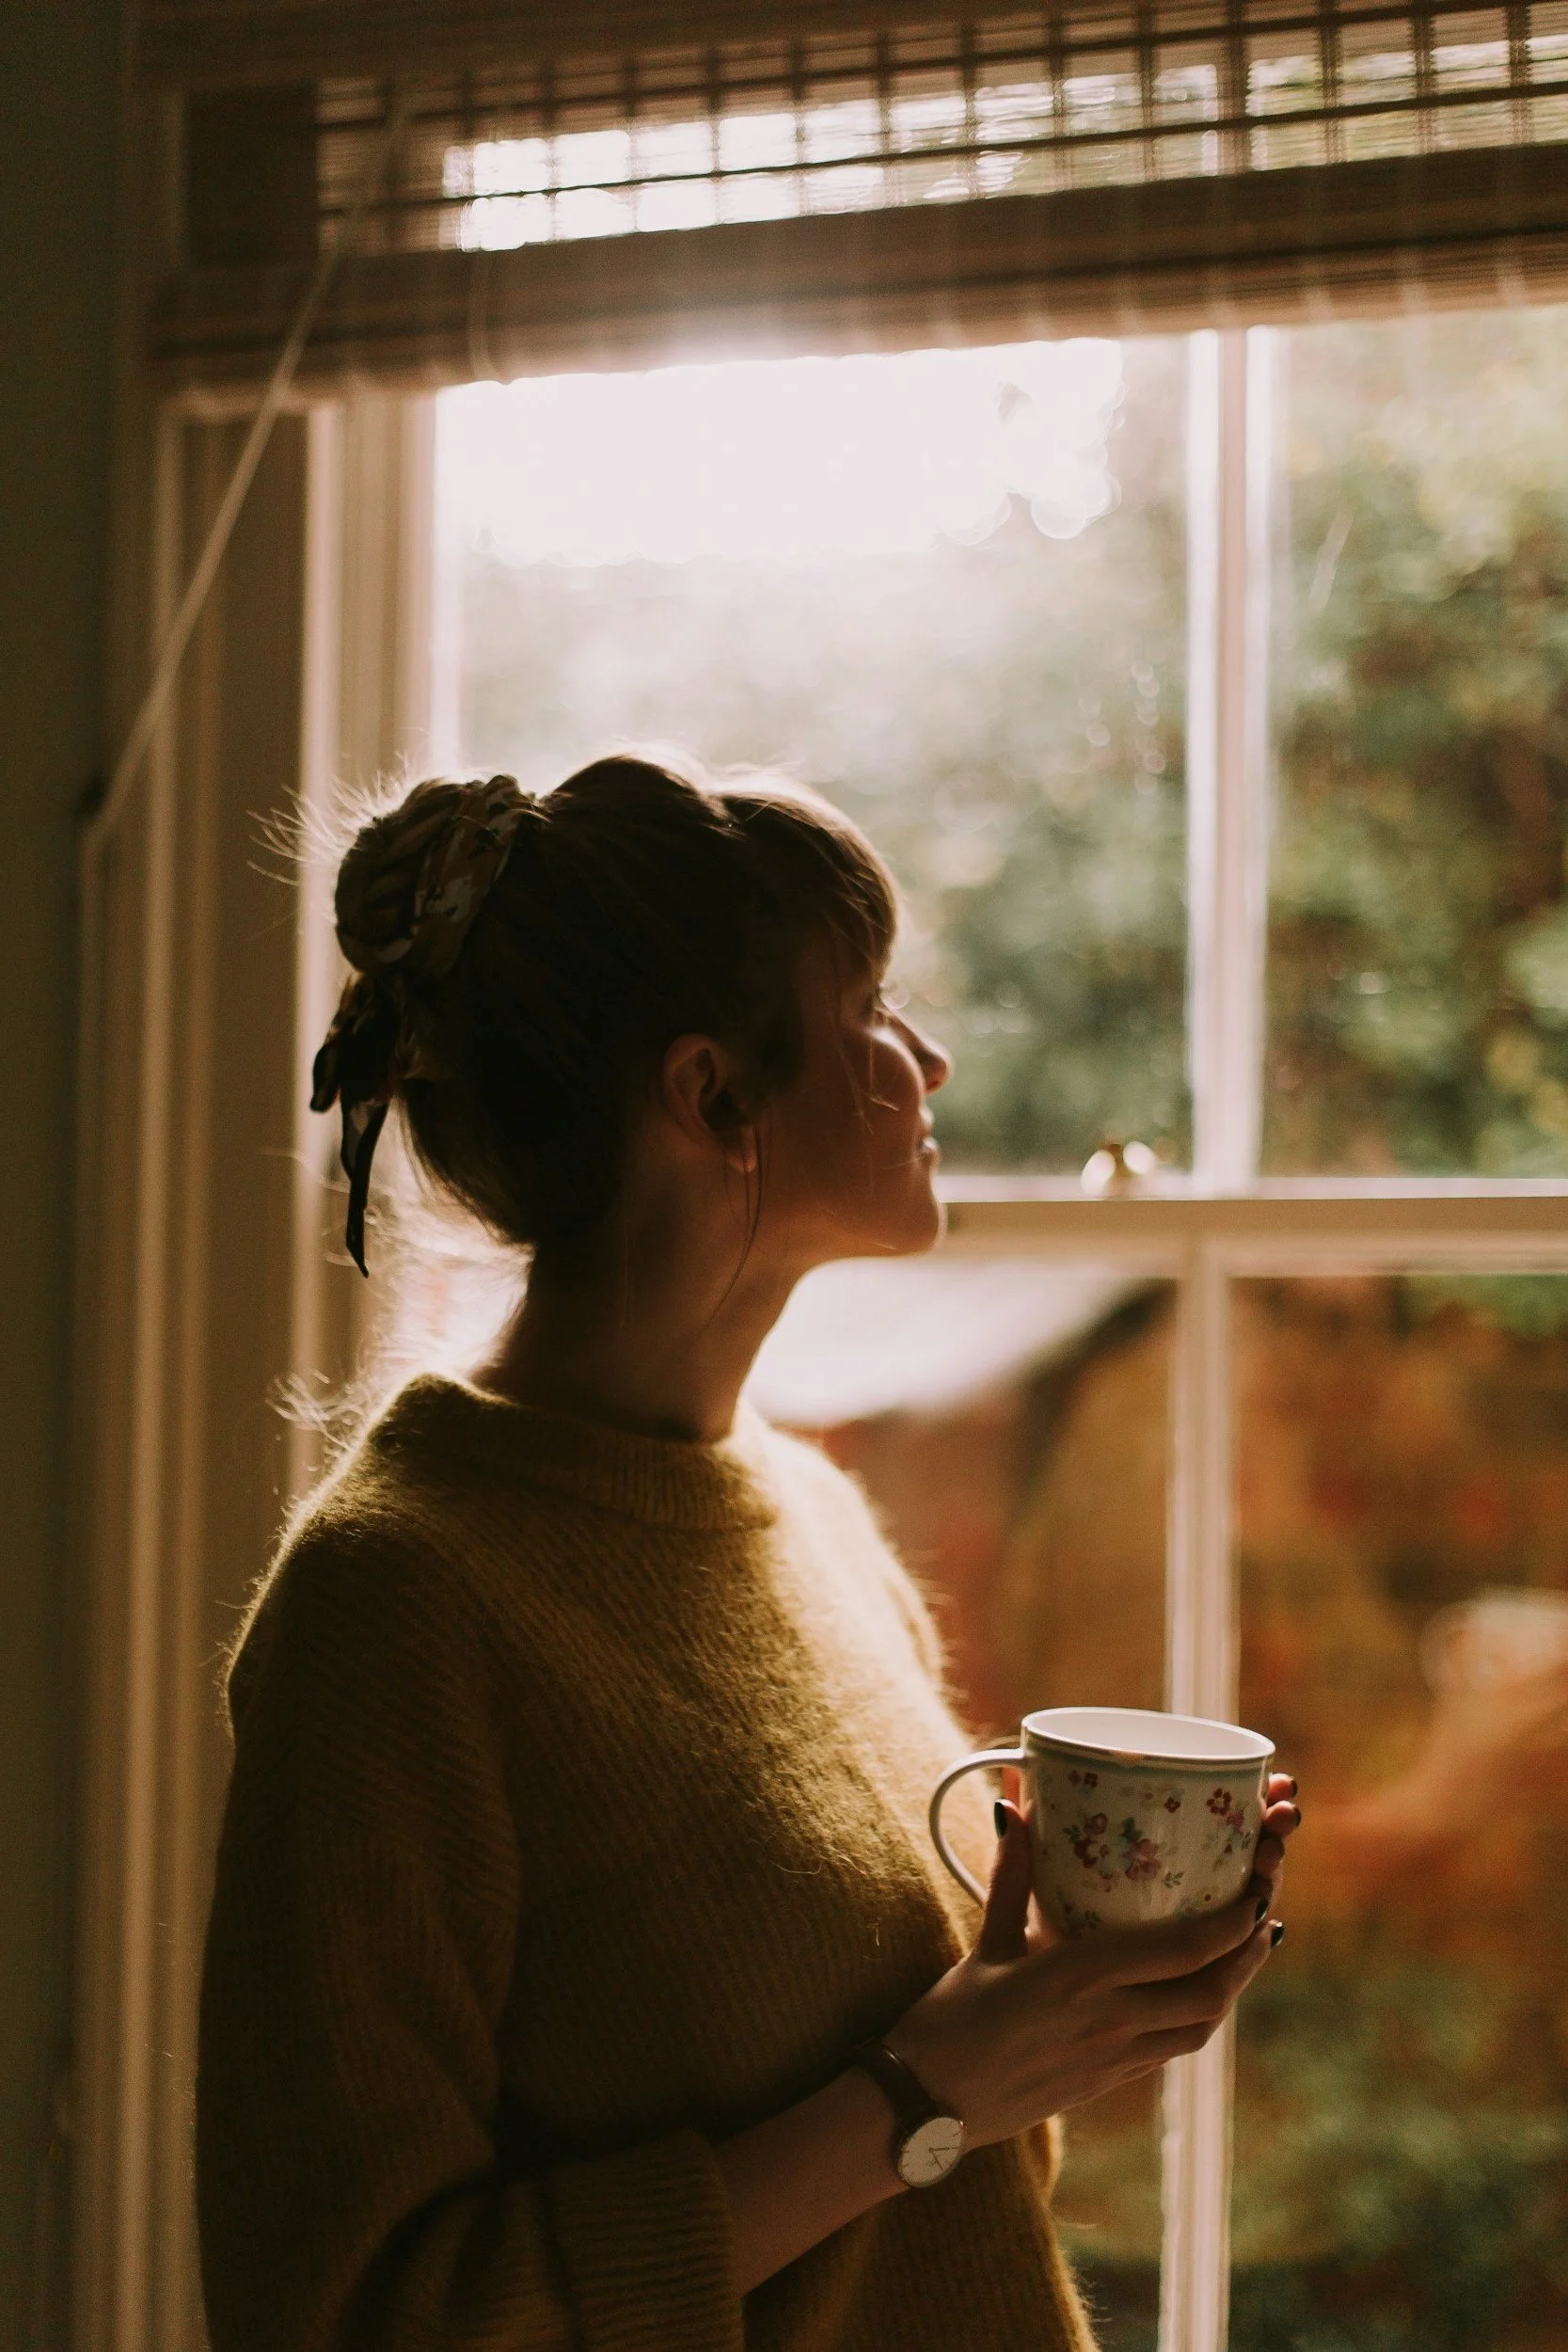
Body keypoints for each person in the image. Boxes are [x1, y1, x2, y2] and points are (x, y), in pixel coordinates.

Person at [196, 756, 1297, 2352]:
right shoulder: (396, 1606)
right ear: (713, 1097)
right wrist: (922, 2095)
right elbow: (351, 2316)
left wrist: (1072, 1993)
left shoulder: (803, 1512)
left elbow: (917, 2125)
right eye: (870, 1006)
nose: (926, 1057)